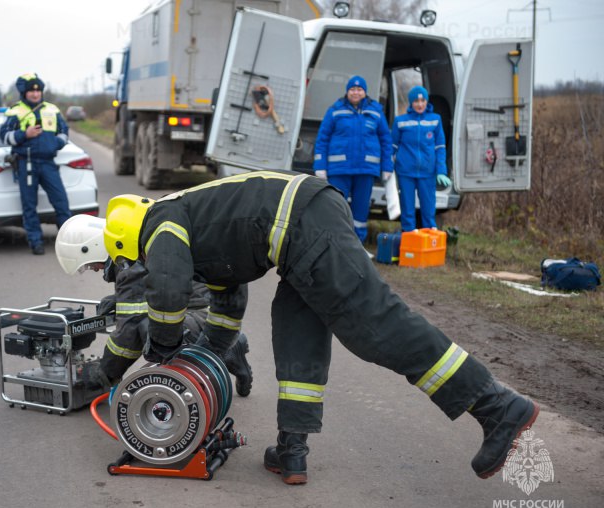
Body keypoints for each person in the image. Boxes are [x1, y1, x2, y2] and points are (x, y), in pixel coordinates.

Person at [101, 172, 539, 485]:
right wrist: (205, 355)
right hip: (300, 231)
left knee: (377, 326)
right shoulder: (195, 231)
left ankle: (495, 405)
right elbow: (229, 299)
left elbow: (169, 292)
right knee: (295, 332)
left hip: (306, 222)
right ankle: (292, 451)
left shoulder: (162, 224)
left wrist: (162, 353)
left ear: (125, 242)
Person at [54, 214, 253, 396]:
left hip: (203, 314)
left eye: (89, 265)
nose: (95, 270)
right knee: (148, 322)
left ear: (95, 248)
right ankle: (227, 350)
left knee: (150, 328)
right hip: (208, 306)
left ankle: (219, 357)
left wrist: (103, 373)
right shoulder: (131, 247)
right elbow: (157, 288)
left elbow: (127, 338)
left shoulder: (129, 267)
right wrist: (118, 301)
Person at [313, 75, 393, 245]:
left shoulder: (376, 111)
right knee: (336, 207)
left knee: (360, 210)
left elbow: (386, 140)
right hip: (339, 169)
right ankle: (333, 243)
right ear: (347, 91)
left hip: (366, 170)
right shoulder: (335, 110)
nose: (356, 92)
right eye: (352, 89)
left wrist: (387, 166)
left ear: (365, 92)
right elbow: (322, 139)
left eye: (359, 89)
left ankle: (357, 247)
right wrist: (320, 165)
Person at [0, 73, 72, 255]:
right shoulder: (15, 111)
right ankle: (35, 242)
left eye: (38, 90)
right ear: (24, 93)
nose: (35, 94)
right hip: (27, 163)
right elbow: (4, 136)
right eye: (31, 91)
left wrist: (56, 143)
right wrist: (25, 134)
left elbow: (64, 132)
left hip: (48, 163)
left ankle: (69, 242)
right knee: (29, 205)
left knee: (61, 203)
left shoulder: (52, 109)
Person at [391, 86, 451, 232]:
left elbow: (440, 147)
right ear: (411, 102)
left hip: (427, 172)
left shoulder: (435, 120)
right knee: (408, 209)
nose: (420, 104)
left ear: (426, 101)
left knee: (429, 209)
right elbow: (391, 147)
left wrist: (441, 170)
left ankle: (430, 239)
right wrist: (387, 168)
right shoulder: (400, 121)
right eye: (416, 101)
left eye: (423, 100)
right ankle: (409, 238)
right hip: (406, 173)